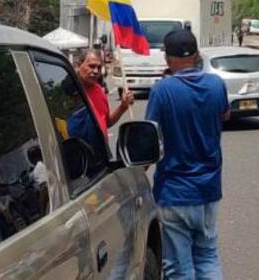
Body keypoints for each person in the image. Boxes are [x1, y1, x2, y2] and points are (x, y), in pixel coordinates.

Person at [145, 28, 230, 279]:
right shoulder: (216, 84)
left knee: (178, 268)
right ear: (196, 55)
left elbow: (150, 135)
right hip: (208, 190)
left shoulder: (162, 90)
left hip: (175, 190)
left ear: (167, 59)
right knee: (207, 257)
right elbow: (225, 114)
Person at [75, 48, 134, 140]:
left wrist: (123, 107)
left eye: (99, 67)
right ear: (78, 66)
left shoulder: (99, 91)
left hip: (100, 151)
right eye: (91, 66)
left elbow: (106, 122)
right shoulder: (71, 91)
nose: (96, 71)